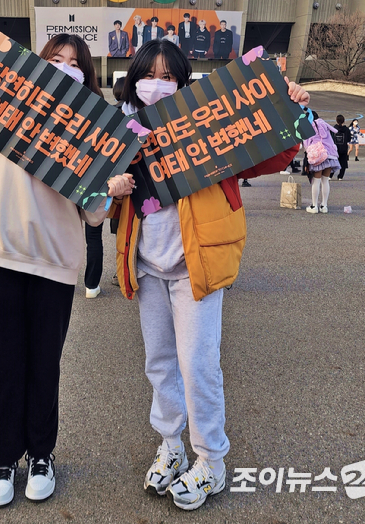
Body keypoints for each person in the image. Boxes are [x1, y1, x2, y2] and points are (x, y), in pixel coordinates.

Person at [0, 33, 134, 508]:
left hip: (56, 263)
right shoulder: (6, 111)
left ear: (88, 77)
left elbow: (95, 214)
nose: (65, 67)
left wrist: (112, 188)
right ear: (37, 67)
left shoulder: (93, 132)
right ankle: (2, 460)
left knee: (44, 364)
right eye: (56, 60)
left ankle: (41, 455)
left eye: (75, 63)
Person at [110, 39, 309, 511]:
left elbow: (272, 154)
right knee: (159, 362)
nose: (157, 83)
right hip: (146, 263)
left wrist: (294, 110)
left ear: (183, 82)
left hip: (194, 264)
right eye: (148, 74)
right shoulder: (121, 129)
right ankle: (171, 444)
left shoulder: (210, 124)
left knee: (198, 364)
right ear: (135, 78)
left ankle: (212, 461)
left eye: (168, 76)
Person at [302, 110, 340, 209]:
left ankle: (314, 206)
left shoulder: (308, 127)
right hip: (330, 155)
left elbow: (306, 145)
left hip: (318, 155)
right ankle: (324, 206)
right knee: (325, 181)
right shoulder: (324, 124)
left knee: (316, 181)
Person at [333, 115, 351, 181]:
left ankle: (330, 175)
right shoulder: (346, 129)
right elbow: (349, 139)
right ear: (344, 121)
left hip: (335, 148)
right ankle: (340, 176)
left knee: (334, 162)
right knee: (343, 163)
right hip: (343, 148)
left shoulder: (334, 128)